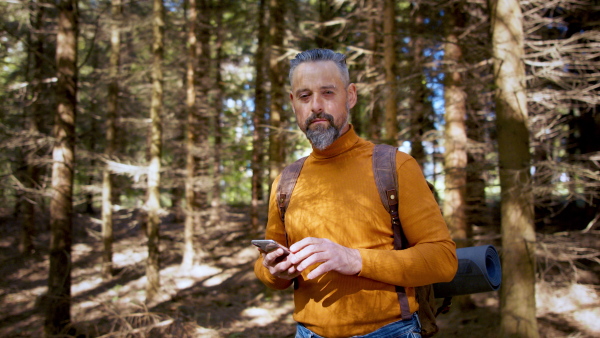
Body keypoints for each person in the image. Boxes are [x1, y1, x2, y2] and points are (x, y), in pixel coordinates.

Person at [253, 49, 458, 338]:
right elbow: (265, 269)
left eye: (327, 93)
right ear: (293, 103)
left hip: (391, 332)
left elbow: (443, 260)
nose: (316, 106)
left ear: (350, 96)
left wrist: (355, 260)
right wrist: (274, 271)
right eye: (304, 96)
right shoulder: (286, 181)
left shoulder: (395, 166)